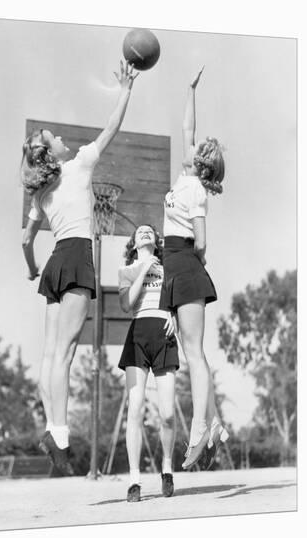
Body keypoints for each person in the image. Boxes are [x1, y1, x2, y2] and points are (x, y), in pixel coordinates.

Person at [21, 61, 139, 475]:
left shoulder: (42, 193)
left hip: (54, 261)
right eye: (54, 137)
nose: (61, 137)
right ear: (50, 152)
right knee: (66, 354)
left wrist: (32, 269)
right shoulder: (81, 164)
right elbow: (112, 126)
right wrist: (126, 89)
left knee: (50, 354)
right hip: (75, 258)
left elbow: (24, 239)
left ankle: (53, 429)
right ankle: (60, 435)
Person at [159, 67, 228, 471]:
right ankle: (215, 421)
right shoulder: (185, 176)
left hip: (185, 263)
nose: (190, 143)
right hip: (176, 267)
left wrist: (194, 266)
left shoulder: (196, 191)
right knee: (190, 352)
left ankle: (201, 426)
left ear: (199, 163)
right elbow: (188, 125)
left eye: (196, 146)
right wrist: (190, 89)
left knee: (194, 354)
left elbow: (202, 241)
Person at [118, 224, 179, 502]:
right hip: (138, 337)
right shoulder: (126, 270)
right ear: (133, 242)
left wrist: (174, 316)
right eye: (139, 232)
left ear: (156, 241)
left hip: (163, 336)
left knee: (167, 413)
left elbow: (178, 304)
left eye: (149, 231)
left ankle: (166, 467)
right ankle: (134, 479)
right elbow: (127, 304)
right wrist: (143, 268)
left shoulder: (169, 270)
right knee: (135, 409)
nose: (144, 232)